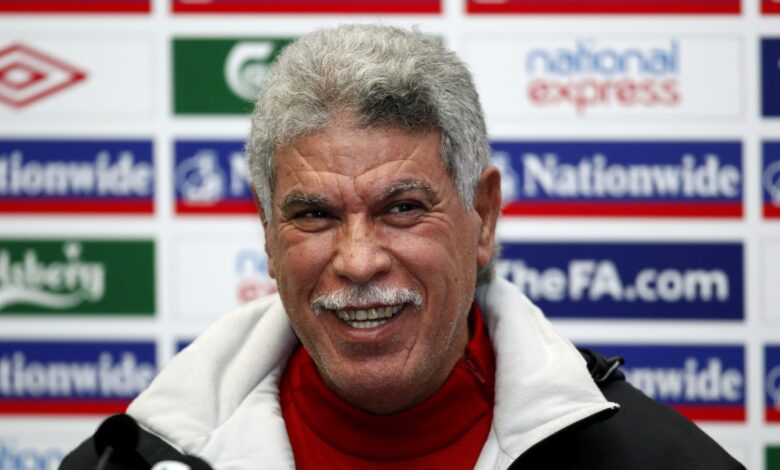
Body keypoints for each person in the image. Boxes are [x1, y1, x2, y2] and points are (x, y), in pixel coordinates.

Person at [61, 24, 744, 469]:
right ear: (268, 235)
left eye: (402, 209)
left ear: (483, 218)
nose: (359, 261)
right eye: (314, 215)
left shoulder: (657, 461)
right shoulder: (127, 460)